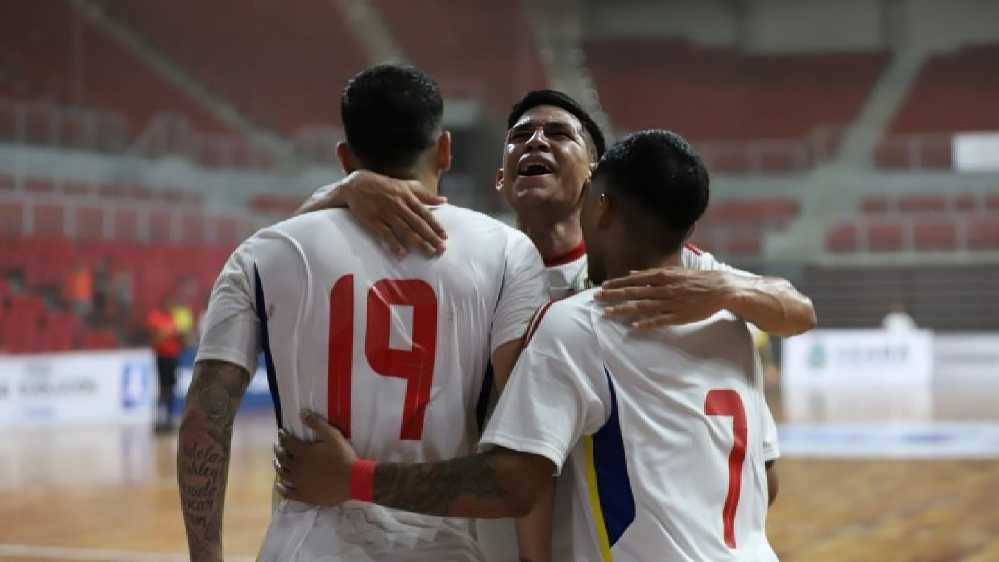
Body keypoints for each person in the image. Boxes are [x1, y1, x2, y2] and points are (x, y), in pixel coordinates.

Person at [291, 88, 814, 561]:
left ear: (596, 180)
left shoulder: (677, 271)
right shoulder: (462, 260)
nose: (534, 141)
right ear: (501, 179)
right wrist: (342, 192)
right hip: (481, 539)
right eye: (519, 137)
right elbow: (288, 245)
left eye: (558, 133)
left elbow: (795, 309)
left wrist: (730, 289)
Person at [177, 64, 548, 562]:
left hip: (306, 546)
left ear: (345, 158)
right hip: (447, 547)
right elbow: (521, 439)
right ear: (444, 150)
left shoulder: (261, 254)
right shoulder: (508, 252)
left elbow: (205, 418)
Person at [147, 295, 183, 432]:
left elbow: (179, 337)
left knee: (171, 388)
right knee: (163, 389)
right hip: (162, 357)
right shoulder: (156, 318)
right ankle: (159, 420)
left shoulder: (173, 319)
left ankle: (168, 418)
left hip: (173, 357)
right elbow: (154, 339)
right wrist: (166, 334)